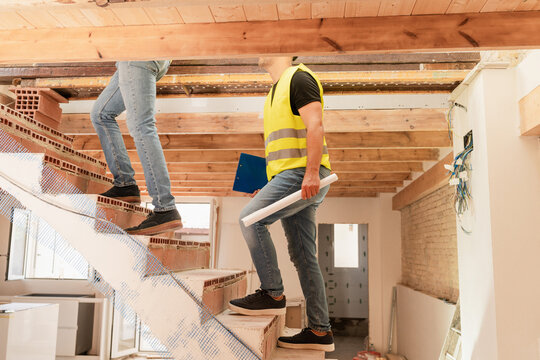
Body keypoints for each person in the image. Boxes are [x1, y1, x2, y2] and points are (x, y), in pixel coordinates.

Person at [229, 56, 334, 352]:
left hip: (304, 174)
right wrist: (267, 184)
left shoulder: (298, 78)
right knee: (303, 254)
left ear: (286, 49)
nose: (258, 50)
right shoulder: (274, 92)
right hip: (291, 175)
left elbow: (315, 126)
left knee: (249, 219)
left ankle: (272, 293)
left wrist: (312, 172)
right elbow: (284, 148)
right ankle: (319, 330)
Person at [90, 61, 182, 236]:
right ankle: (125, 184)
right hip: (132, 59)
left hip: (139, 56)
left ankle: (165, 207)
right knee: (101, 114)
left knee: (142, 126)